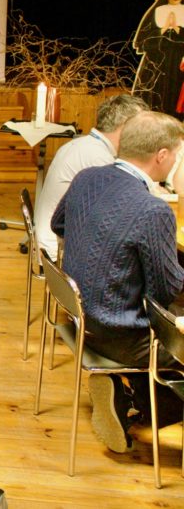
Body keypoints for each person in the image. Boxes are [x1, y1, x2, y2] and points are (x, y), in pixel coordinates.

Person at [51, 110, 184, 453]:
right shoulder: (153, 211)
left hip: (81, 319)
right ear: (162, 155)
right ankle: (135, 404)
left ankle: (126, 398)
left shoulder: (87, 178)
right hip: (122, 336)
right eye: (177, 154)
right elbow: (164, 292)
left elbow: (58, 224)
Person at [33, 94, 149, 258]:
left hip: (55, 241)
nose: (144, 134)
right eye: (141, 127)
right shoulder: (97, 157)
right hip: (58, 251)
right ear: (125, 126)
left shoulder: (84, 145)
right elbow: (127, 211)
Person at [134, 0, 184, 116]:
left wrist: (178, 29)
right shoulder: (157, 11)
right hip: (157, 59)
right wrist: (163, 29)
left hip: (180, 60)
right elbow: (144, 39)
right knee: (156, 91)